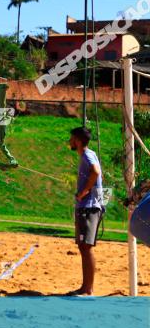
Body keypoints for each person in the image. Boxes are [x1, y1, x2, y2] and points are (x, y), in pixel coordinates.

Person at [69, 126, 104, 296]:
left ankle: (88, 289)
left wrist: (83, 192)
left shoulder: (87, 155)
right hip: (88, 207)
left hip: (89, 207)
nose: (69, 141)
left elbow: (96, 172)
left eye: (71, 138)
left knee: (86, 247)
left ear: (78, 140)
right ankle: (85, 288)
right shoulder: (90, 154)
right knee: (84, 247)